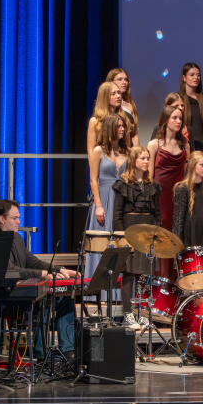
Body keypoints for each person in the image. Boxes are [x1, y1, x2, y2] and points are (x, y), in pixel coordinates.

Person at [0, 200, 78, 361]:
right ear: (2, 219)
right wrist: (43, 274)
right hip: (0, 295)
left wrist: (58, 269)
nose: (19, 221)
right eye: (14, 218)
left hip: (18, 291)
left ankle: (68, 351)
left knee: (65, 297)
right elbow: (10, 270)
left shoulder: (17, 238)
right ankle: (41, 355)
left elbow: (33, 261)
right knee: (42, 299)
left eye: (18, 218)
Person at [113, 146, 163, 328]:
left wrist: (157, 234)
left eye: (147, 158)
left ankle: (141, 312)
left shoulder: (153, 185)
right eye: (142, 158)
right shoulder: (123, 184)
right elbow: (117, 215)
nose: (146, 161)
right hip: (129, 229)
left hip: (147, 231)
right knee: (129, 272)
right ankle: (128, 314)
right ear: (133, 160)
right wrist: (120, 237)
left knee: (144, 274)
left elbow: (157, 214)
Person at [84, 113, 128, 293]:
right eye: (119, 126)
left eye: (123, 126)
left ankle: (117, 293)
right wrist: (98, 205)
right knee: (102, 244)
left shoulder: (127, 152)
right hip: (103, 199)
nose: (122, 129)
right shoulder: (98, 151)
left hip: (122, 201)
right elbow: (93, 180)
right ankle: (98, 291)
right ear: (110, 128)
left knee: (119, 244)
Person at [147, 104, 187, 285]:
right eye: (174, 118)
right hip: (160, 197)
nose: (178, 121)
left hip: (178, 197)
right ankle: (160, 284)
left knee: (176, 236)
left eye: (180, 118)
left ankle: (175, 283)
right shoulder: (154, 144)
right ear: (165, 120)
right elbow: (149, 176)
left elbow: (186, 175)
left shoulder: (184, 145)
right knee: (161, 236)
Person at [172, 151, 203, 253]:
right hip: (189, 231)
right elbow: (178, 218)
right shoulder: (182, 187)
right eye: (202, 165)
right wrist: (176, 242)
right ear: (191, 165)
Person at [86, 81, 131, 157]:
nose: (118, 96)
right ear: (104, 97)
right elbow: (91, 151)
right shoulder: (95, 121)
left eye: (119, 93)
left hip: (121, 160)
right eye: (113, 94)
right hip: (102, 161)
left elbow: (127, 147)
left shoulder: (124, 119)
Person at [179, 62, 203, 152]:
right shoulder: (178, 98)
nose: (196, 77)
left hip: (200, 148)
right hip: (182, 147)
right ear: (184, 78)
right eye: (192, 75)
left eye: (198, 75)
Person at [107, 67, 141, 146]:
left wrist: (136, 151)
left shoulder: (130, 105)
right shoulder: (106, 106)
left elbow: (134, 134)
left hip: (128, 148)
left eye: (126, 80)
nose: (124, 82)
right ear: (110, 82)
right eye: (120, 79)